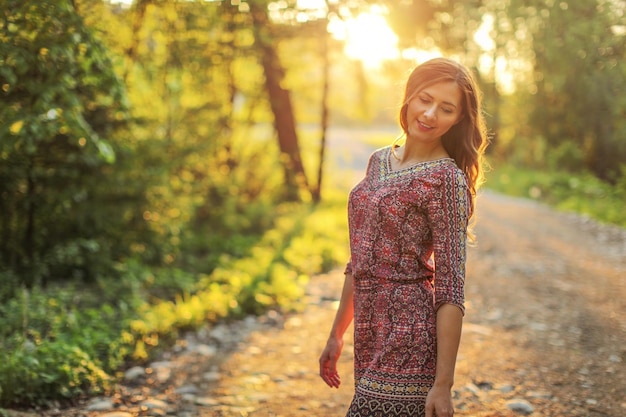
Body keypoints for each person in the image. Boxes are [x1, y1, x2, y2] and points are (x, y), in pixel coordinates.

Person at [318, 57, 489, 417]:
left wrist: (443, 386)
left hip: (410, 335)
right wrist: (337, 334)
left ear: (458, 118)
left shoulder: (446, 179)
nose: (429, 114)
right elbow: (359, 261)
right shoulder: (378, 161)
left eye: (445, 108)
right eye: (424, 99)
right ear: (409, 97)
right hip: (369, 333)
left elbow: (451, 288)